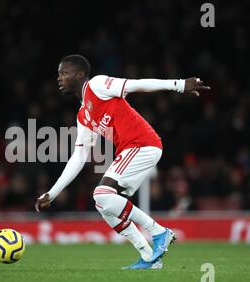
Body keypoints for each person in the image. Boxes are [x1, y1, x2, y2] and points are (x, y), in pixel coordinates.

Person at [35, 54, 210, 270]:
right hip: (131, 150)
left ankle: (159, 232)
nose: (59, 78)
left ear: (79, 74)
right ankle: (148, 257)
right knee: (103, 204)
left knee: (101, 194)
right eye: (58, 74)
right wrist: (52, 193)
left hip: (143, 144)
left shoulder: (97, 85)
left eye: (64, 73)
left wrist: (179, 85)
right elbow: (79, 157)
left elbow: (136, 85)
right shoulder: (83, 115)